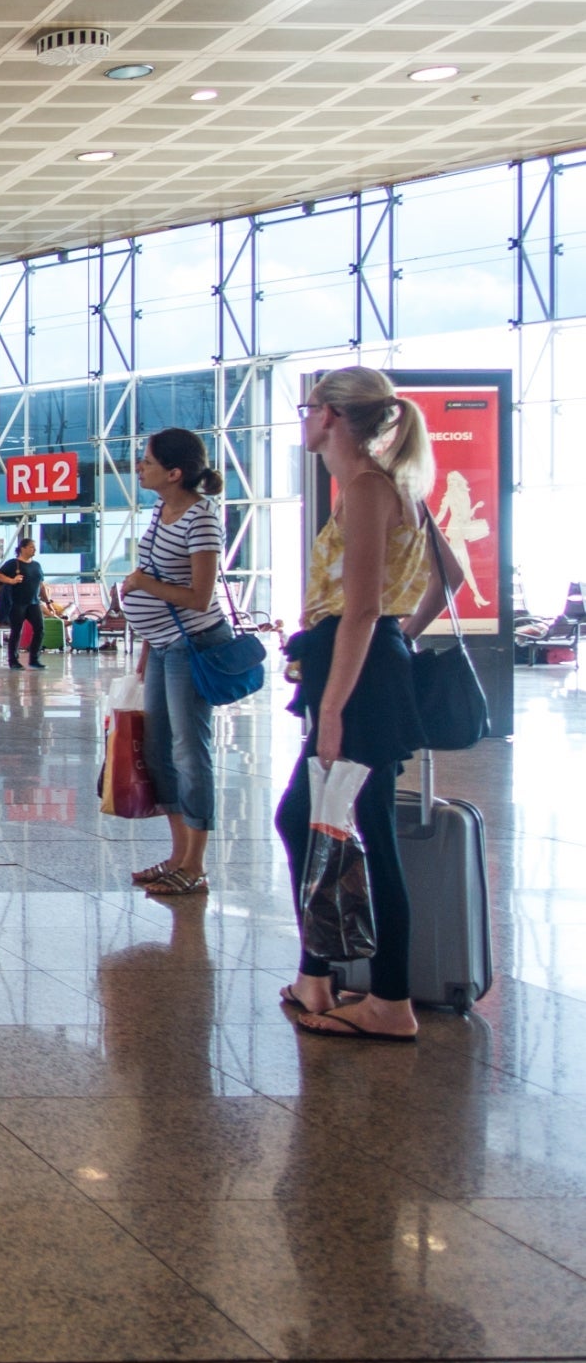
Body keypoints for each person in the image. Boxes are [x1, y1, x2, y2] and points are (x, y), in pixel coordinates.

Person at [279, 367, 449, 1043]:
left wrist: (336, 707)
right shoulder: (386, 486)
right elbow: (448, 580)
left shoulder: (370, 489)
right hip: (367, 666)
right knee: (316, 818)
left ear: (328, 416)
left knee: (356, 829)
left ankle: (388, 998)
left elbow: (363, 608)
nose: (302, 419)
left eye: (306, 408)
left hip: (356, 677)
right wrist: (393, 644)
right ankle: (317, 973)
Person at [120, 428, 233, 898]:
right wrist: (147, 644)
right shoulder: (160, 510)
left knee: (190, 752)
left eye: (146, 461)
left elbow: (199, 596)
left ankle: (196, 864)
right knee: (160, 749)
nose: (139, 467)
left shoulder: (201, 519)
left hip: (194, 645)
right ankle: (177, 853)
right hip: (164, 645)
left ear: (174, 472)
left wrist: (143, 584)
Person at [0, 535, 49, 669]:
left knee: (40, 629)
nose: (34, 550)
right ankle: (13, 660)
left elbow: (41, 585)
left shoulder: (36, 565)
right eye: (31, 547)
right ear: (23, 548)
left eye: (35, 548)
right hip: (18, 603)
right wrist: (11, 580)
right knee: (16, 631)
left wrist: (48, 601)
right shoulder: (14, 563)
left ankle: (34, 659)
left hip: (33, 603)